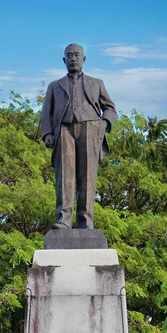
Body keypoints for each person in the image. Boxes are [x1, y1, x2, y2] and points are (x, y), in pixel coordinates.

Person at [40, 43, 117, 229]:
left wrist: (105, 123)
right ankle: (64, 220)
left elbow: (110, 108)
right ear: (63, 60)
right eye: (69, 55)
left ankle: (85, 222)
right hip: (64, 130)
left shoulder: (96, 83)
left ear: (84, 59)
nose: (73, 58)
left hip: (90, 129)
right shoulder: (54, 86)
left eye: (76, 55)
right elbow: (45, 113)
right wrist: (48, 133)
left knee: (87, 177)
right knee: (64, 178)